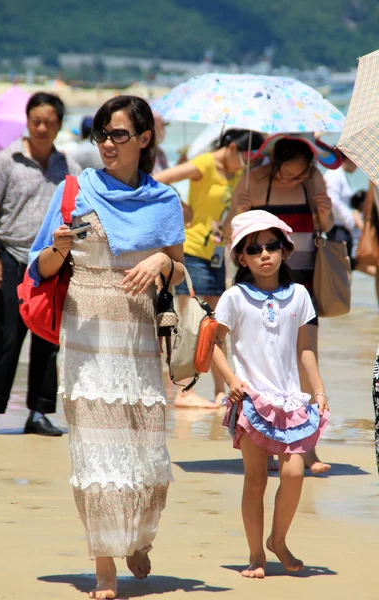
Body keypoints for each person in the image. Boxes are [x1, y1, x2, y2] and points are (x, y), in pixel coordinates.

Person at [28, 95, 185, 599]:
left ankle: (136, 537)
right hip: (88, 334)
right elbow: (40, 269)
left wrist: (161, 262)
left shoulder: (164, 201)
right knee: (96, 454)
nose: (107, 144)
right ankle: (104, 567)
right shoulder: (75, 190)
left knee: (143, 449)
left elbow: (180, 273)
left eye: (118, 134)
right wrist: (58, 248)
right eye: (101, 134)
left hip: (139, 337)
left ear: (144, 139)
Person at [213, 210, 329, 578]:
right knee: (256, 479)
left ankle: (277, 541)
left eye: (272, 245)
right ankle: (255, 556)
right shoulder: (233, 297)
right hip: (250, 402)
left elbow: (304, 350)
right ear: (241, 257)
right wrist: (231, 380)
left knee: (294, 473)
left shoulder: (299, 296)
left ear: (285, 250)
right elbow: (214, 345)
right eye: (255, 248)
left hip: (290, 400)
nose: (264, 254)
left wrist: (319, 390)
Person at [231, 134, 336, 474]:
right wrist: (239, 209)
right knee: (266, 366)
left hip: (302, 279)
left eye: (299, 174)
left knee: (307, 357)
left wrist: (325, 213)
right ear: (274, 164)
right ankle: (269, 443)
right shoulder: (252, 181)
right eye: (286, 174)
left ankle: (307, 448)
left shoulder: (311, 180)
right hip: (261, 288)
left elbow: (328, 227)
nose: (293, 179)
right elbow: (231, 233)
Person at [0, 92, 82, 437]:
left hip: (54, 264)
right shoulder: (5, 161)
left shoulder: (69, 168)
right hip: (12, 257)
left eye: (49, 122)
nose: (41, 127)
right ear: (27, 121)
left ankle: (38, 412)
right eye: (36, 120)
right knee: (7, 335)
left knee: (50, 338)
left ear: (59, 126)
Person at [154, 129, 264, 409]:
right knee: (189, 324)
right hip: (190, 253)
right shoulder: (204, 164)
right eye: (244, 157)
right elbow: (159, 179)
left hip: (217, 255)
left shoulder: (239, 175)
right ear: (230, 147)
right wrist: (182, 207)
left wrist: (240, 209)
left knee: (214, 326)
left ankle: (220, 391)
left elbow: (227, 228)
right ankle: (183, 391)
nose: (245, 164)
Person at [324, 152, 362, 262]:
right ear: (348, 158)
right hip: (337, 230)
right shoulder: (334, 174)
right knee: (340, 268)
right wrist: (350, 218)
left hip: (341, 229)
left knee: (344, 267)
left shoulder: (339, 174)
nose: (357, 165)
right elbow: (332, 201)